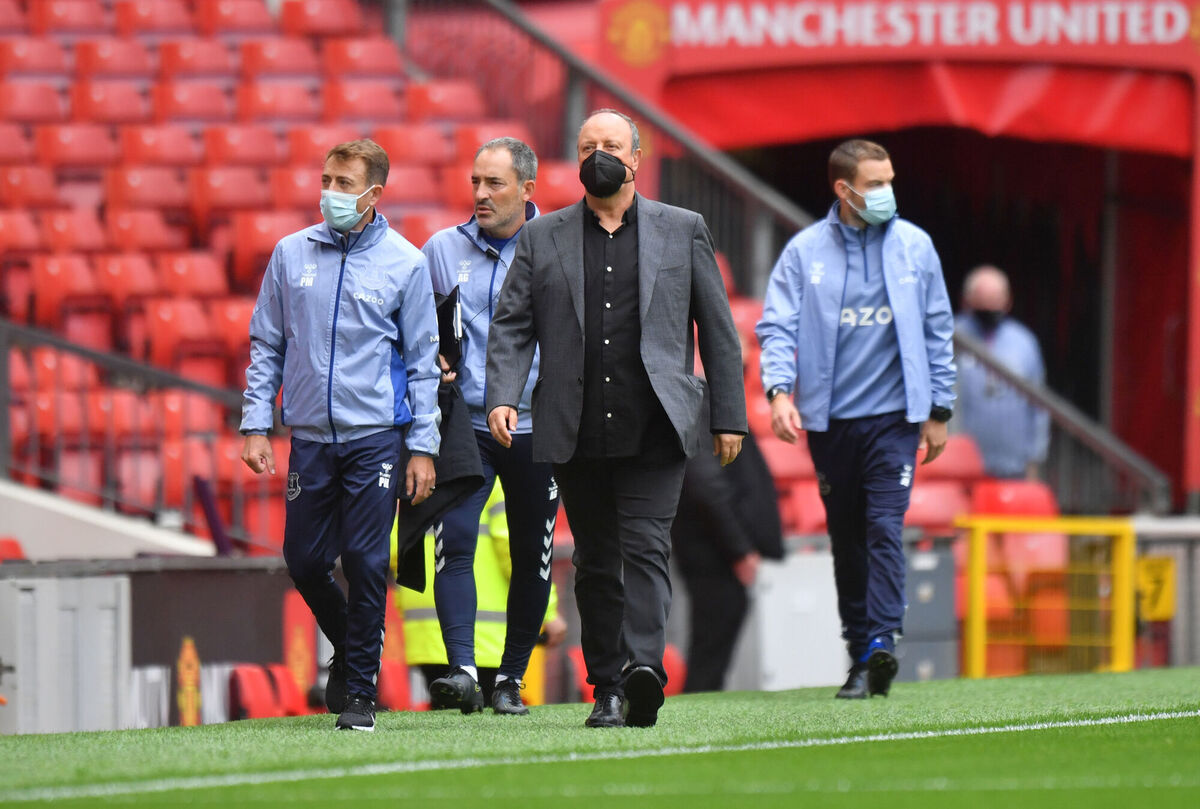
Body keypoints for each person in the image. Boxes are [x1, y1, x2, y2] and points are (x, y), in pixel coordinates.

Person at [485, 109, 747, 728]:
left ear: (636, 157)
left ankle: (645, 671)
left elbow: (718, 328)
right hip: (573, 426)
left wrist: (728, 416)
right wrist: (502, 392)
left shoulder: (683, 229)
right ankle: (606, 684)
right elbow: (513, 323)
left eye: (609, 145)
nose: (597, 154)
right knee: (598, 562)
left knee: (648, 548)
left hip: (656, 423)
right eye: (586, 145)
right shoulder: (541, 235)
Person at [240, 139, 441, 732]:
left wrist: (424, 445)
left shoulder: (406, 263)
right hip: (309, 436)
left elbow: (425, 362)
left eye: (344, 182)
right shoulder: (289, 253)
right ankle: (357, 647)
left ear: (375, 193)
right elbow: (266, 343)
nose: (331, 192)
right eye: (326, 179)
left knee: (365, 558)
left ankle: (358, 692)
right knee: (303, 560)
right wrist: (256, 422)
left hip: (376, 435)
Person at [755, 138, 956, 700]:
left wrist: (939, 409)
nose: (887, 192)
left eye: (890, 179)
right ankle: (859, 650)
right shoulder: (803, 253)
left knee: (884, 528)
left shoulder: (916, 247)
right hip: (830, 423)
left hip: (894, 421)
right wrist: (778, 392)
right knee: (847, 537)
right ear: (843, 190)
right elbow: (777, 327)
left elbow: (939, 330)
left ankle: (881, 643)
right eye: (875, 183)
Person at [419, 137, 560, 716]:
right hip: (466, 426)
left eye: (494, 184)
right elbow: (417, 335)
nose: (480, 193)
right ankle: (460, 672)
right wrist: (434, 359)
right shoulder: (439, 250)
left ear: (527, 190)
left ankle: (510, 680)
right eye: (476, 182)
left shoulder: (559, 246)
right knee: (455, 542)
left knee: (534, 555)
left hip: (537, 425)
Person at [394, 482, 567, 706]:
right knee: (483, 718)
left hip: (424, 632)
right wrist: (548, 612)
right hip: (485, 635)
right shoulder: (495, 479)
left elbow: (394, 548)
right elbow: (516, 550)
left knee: (445, 715)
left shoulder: (426, 475)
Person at [671, 387, 784, 692]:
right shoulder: (699, 399)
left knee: (712, 645)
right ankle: (695, 718)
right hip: (711, 549)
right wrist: (739, 549)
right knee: (710, 651)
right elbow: (706, 483)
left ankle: (698, 711)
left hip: (709, 545)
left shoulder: (704, 399)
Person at [955, 265, 1049, 480]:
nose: (989, 308)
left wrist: (1035, 458)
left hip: (1013, 466)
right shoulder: (951, 337)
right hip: (961, 467)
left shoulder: (1024, 342)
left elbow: (1039, 405)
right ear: (967, 300)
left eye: (994, 301)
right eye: (982, 302)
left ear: (1007, 301)